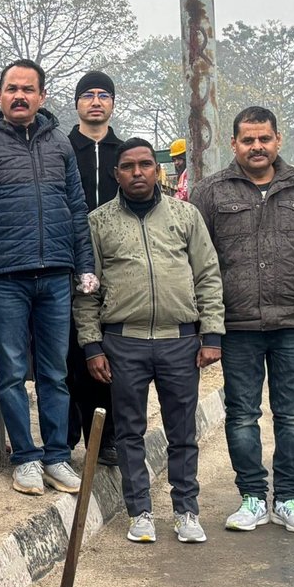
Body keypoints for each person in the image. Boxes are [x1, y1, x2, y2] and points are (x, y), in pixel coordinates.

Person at [0, 60, 97, 497]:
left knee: (55, 373)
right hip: (4, 277)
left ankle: (56, 456)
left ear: (41, 96)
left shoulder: (60, 146)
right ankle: (26, 459)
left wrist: (85, 264)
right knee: (12, 372)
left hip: (56, 276)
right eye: (12, 88)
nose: (19, 96)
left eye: (28, 89)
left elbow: (76, 209)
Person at [191, 106, 294, 534]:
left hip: (293, 322)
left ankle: (289, 498)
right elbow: (196, 261)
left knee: (292, 414)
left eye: (264, 139)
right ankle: (253, 498)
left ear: (278, 140)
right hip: (236, 324)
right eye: (248, 140)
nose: (257, 147)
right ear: (234, 143)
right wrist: (205, 324)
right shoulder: (210, 192)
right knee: (241, 414)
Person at [76, 139, 224, 545]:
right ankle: (139, 511)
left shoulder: (185, 215)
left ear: (157, 170)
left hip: (180, 341)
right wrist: (92, 344)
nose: (137, 172)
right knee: (129, 432)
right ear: (116, 174)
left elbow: (208, 275)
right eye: (128, 166)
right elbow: (86, 290)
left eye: (145, 164)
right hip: (124, 342)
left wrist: (211, 334)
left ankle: (186, 511)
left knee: (183, 432)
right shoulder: (98, 222)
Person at [65, 70, 126, 466]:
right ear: (77, 104)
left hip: (117, 264)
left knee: (109, 353)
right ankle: (67, 435)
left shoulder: (126, 152)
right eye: (89, 95)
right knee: (70, 353)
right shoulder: (62, 148)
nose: (96, 102)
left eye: (104, 95)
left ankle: (106, 440)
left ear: (112, 104)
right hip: (69, 260)